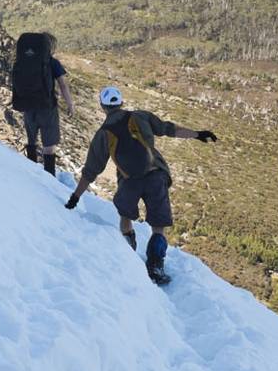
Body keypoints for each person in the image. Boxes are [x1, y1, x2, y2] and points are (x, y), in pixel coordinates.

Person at [65, 86, 217, 285]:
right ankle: (155, 265)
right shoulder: (140, 117)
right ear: (121, 102)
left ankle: (128, 252)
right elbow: (170, 129)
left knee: (125, 216)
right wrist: (197, 134)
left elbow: (90, 171)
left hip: (129, 181)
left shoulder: (103, 134)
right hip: (156, 175)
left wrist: (75, 197)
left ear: (103, 106)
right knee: (158, 226)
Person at [9, 32, 74, 176]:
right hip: (47, 108)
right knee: (49, 145)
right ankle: (49, 176)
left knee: (31, 141)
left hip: (27, 106)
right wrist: (70, 104)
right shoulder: (52, 62)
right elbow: (63, 85)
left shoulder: (23, 61)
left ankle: (32, 172)